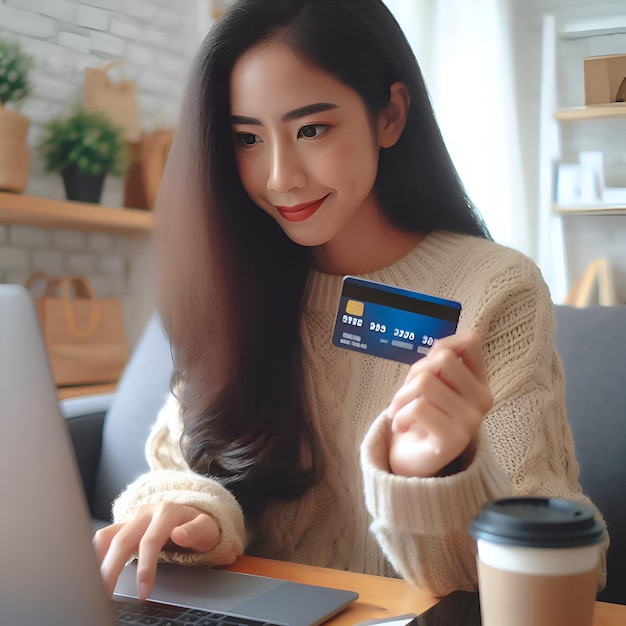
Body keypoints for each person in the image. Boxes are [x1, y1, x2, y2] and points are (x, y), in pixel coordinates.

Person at [94, 0, 608, 601]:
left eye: (312, 129)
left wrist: (431, 475)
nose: (281, 175)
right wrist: (195, 516)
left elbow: (567, 574)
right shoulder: (234, 281)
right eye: (248, 139)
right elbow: (184, 464)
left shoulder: (494, 291)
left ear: (389, 116)